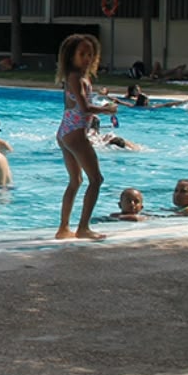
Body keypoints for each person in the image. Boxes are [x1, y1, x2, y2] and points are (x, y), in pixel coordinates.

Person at [54, 33, 117, 240]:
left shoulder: (76, 78)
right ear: (71, 56)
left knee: (76, 181)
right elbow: (84, 107)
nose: (87, 58)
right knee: (96, 179)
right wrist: (106, 110)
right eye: (82, 54)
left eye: (90, 54)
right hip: (75, 134)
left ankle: (63, 228)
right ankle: (83, 228)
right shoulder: (75, 78)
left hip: (64, 132)